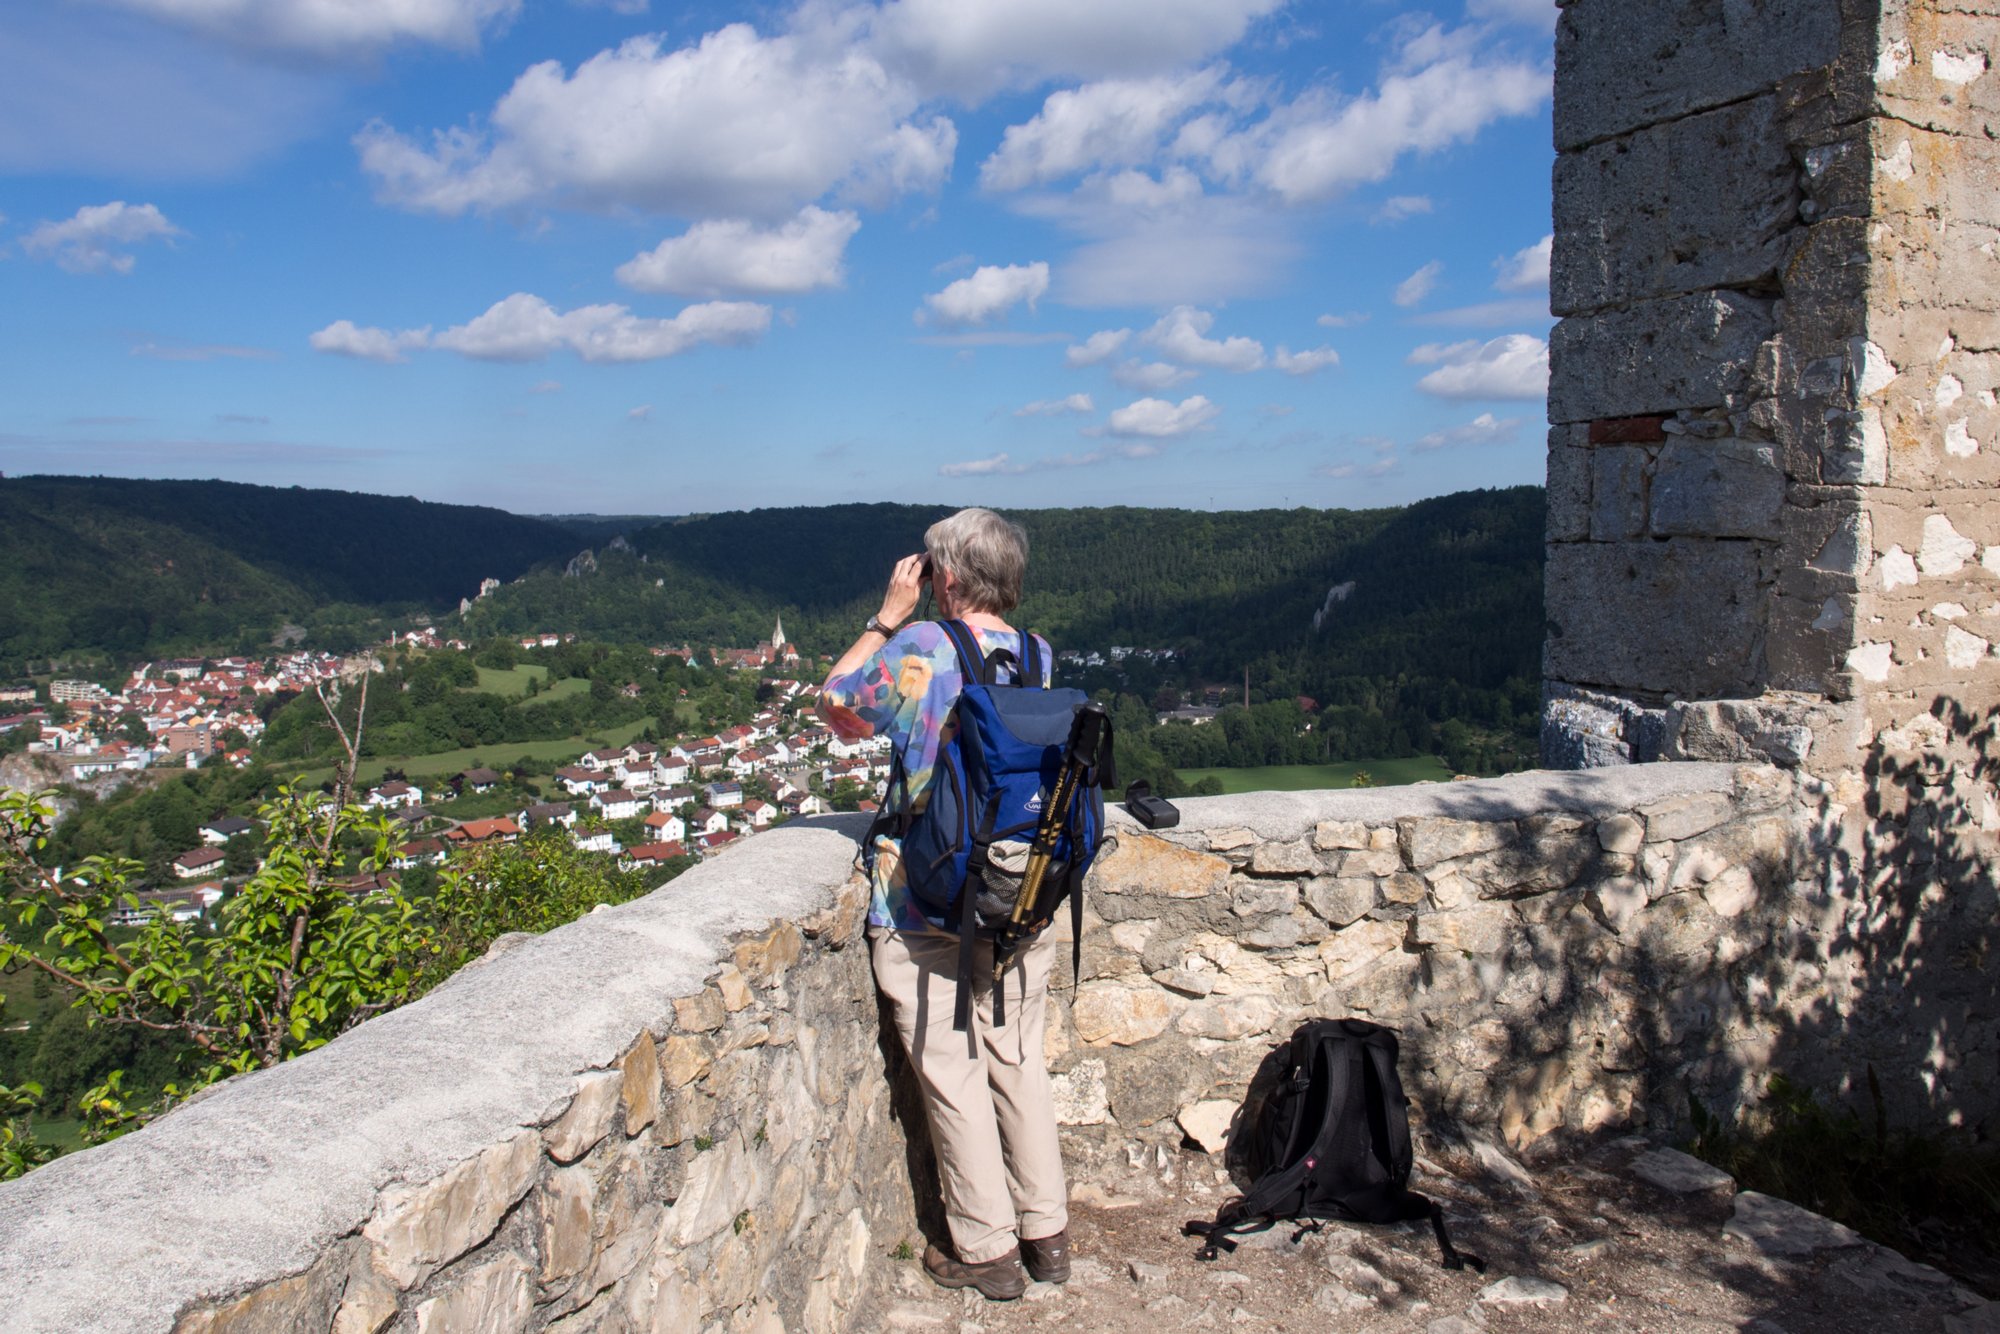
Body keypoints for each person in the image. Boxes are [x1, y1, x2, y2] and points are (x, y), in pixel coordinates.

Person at [818, 507, 1071, 1302]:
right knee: (1018, 1060)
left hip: (925, 900)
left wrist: (885, 615)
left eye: (931, 569)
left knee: (952, 1072)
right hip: (1019, 894)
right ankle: (1048, 1234)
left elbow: (837, 707)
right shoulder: (1038, 654)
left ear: (946, 578)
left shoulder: (923, 647)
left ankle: (987, 1251)